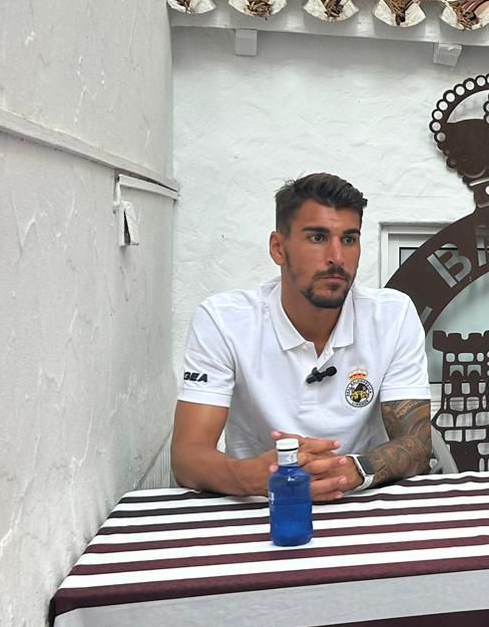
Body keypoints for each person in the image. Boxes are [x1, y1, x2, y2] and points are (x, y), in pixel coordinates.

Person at [170, 172, 431, 498]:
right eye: (318, 238)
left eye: (349, 239)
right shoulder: (225, 320)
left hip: (361, 498)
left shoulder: (392, 315)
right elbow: (187, 458)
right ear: (278, 248)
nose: (337, 257)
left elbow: (417, 445)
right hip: (259, 504)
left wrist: (354, 470)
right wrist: (254, 477)